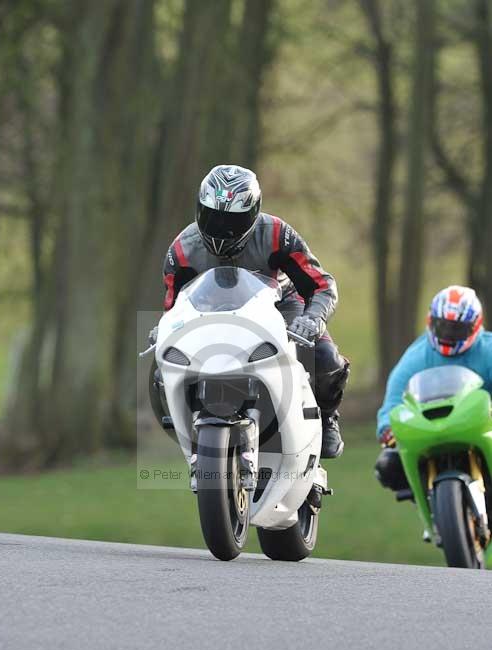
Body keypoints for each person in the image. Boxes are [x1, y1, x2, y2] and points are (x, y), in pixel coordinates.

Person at [153, 164, 350, 458]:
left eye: (232, 221)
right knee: (164, 366)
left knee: (324, 356)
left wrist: (313, 319)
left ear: (253, 214)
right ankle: (192, 423)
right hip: (210, 315)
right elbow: (173, 306)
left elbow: (322, 284)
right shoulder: (181, 250)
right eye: (212, 217)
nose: (220, 229)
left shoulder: (277, 234)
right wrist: (165, 329)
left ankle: (326, 416)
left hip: (281, 304)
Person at [375, 285, 492, 489]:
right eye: (442, 326)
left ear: (475, 325)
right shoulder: (415, 357)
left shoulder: (488, 350)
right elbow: (393, 401)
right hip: (431, 433)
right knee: (388, 466)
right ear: (430, 321)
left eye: (457, 329)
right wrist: (387, 428)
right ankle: (429, 497)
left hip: (482, 429)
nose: (448, 335)